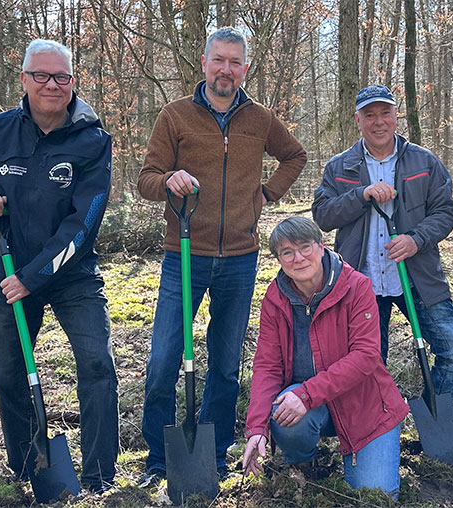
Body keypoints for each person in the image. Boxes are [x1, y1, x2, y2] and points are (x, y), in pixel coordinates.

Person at [0, 39, 118, 493]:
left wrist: (33, 276)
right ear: (23, 79)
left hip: (71, 275)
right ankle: (30, 469)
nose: (51, 84)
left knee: (97, 364)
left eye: (61, 76)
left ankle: (100, 476)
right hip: (4, 270)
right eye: (40, 75)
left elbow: (85, 223)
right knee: (9, 375)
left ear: (72, 82)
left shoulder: (94, 141)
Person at [136, 26, 307, 486]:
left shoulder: (261, 119)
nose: (226, 69)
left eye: (235, 62)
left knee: (227, 360)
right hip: (184, 253)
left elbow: (295, 156)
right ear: (205, 63)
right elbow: (145, 179)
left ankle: (213, 452)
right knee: (164, 358)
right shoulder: (174, 116)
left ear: (244, 68)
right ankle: (159, 457)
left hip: (240, 256)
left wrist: (266, 194)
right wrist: (168, 178)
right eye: (219, 60)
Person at [312, 85, 453, 398]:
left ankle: (432, 422)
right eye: (369, 115)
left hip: (418, 278)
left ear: (395, 116)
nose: (378, 121)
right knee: (370, 364)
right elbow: (323, 215)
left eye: (385, 113)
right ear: (358, 120)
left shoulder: (423, 162)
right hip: (361, 283)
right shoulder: (340, 166)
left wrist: (416, 240)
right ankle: (377, 436)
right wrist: (361, 195)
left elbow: (445, 211)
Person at [241, 217, 409, 498]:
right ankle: (303, 466)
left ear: (321, 246)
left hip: (365, 405)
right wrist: (257, 427)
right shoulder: (274, 298)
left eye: (305, 247)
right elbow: (267, 366)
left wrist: (306, 394)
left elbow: (366, 356)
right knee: (284, 410)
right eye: (287, 252)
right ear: (279, 259)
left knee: (376, 496)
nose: (299, 258)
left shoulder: (356, 286)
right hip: (307, 407)